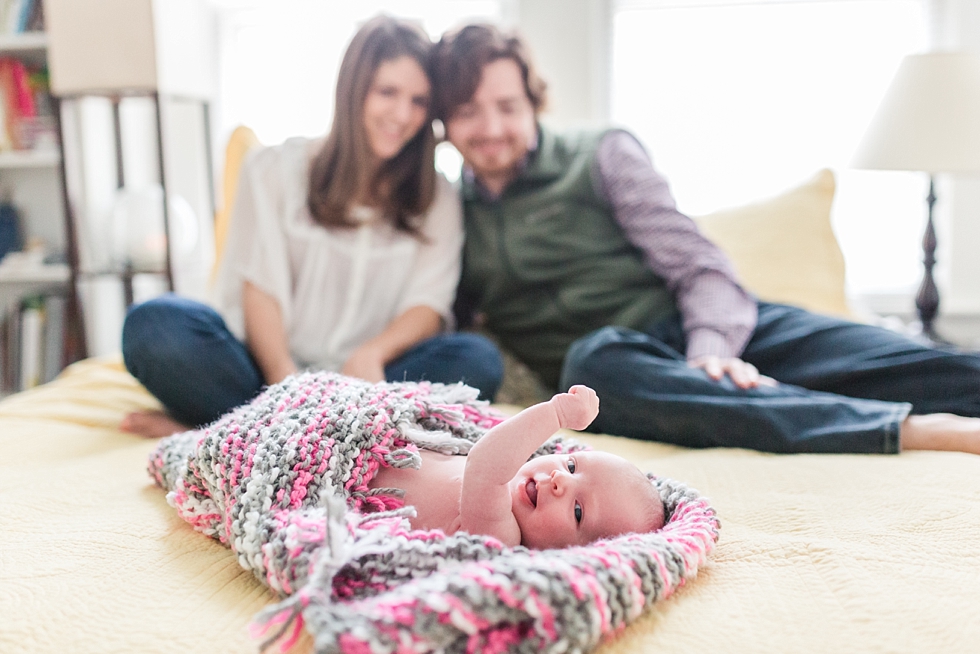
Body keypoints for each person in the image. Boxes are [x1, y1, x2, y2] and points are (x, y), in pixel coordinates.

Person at [431, 22, 980, 456]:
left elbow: (700, 267)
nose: (492, 128)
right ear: (445, 124)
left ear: (532, 101)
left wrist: (711, 355)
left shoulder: (601, 153)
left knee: (920, 364)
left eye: (507, 107)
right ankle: (904, 430)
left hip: (709, 332)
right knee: (588, 365)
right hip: (622, 372)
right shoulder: (450, 214)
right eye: (468, 112)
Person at [120, 16, 504, 439]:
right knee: (154, 326)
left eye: (418, 101)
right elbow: (260, 288)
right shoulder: (272, 170)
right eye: (388, 92)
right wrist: (288, 387)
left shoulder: (439, 196)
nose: (402, 114)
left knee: (477, 361)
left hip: (368, 382)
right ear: (353, 89)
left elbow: (428, 304)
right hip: (264, 376)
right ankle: (305, 433)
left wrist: (371, 353)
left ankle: (232, 435)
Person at [369, 384, 665, 549]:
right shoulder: (513, 471)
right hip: (373, 440)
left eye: (578, 510)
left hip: (347, 480)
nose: (560, 479)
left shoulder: (501, 537)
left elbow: (484, 465)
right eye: (572, 466)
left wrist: (558, 413)